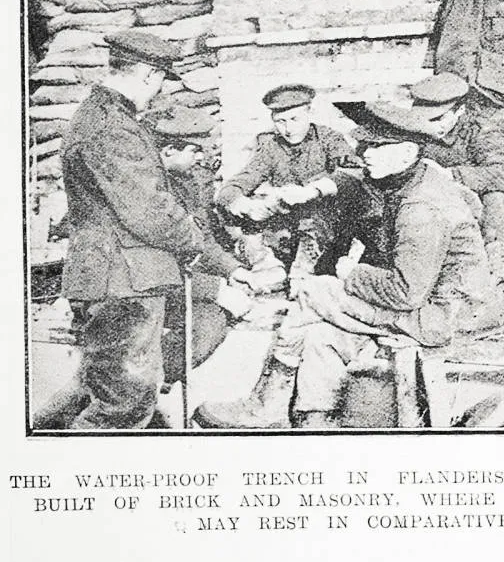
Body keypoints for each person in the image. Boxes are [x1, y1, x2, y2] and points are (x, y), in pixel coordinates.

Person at [195, 102, 504, 429]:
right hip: (438, 303)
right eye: (364, 145)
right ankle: (315, 419)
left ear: (407, 152)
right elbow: (353, 178)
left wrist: (350, 273)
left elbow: (405, 293)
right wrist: (310, 191)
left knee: (313, 291)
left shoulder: (422, 208)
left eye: (375, 147)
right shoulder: (413, 174)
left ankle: (265, 406)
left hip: (446, 315)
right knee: (320, 334)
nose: (365, 154)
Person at [59, 31, 206, 430]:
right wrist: (193, 240)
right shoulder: (112, 127)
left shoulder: (101, 117)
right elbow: (149, 208)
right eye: (159, 81)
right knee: (122, 408)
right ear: (146, 75)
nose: (157, 92)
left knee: (108, 394)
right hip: (124, 282)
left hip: (115, 277)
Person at [148, 106, 277, 384]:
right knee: (207, 324)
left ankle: (154, 381)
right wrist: (216, 289)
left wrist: (234, 271)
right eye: (195, 151)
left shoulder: (186, 182)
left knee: (212, 322)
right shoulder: (149, 190)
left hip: (176, 284)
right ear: (169, 150)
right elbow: (155, 264)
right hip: (144, 289)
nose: (201, 158)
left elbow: (201, 239)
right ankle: (136, 386)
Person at [215, 84, 357, 290]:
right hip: (289, 227)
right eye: (280, 122)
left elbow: (352, 174)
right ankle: (266, 267)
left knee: (316, 214)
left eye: (294, 119)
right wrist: (240, 202)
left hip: (329, 227)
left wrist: (313, 191)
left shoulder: (329, 139)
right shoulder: (272, 147)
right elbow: (238, 183)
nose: (288, 129)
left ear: (310, 113)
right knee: (246, 214)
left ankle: (303, 277)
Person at [408, 72, 504, 281]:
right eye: (424, 119)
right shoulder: (411, 127)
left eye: (438, 119)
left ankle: (497, 270)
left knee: (495, 197)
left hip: (475, 207)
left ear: (460, 110)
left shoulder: (483, 130)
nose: (431, 125)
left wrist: (452, 174)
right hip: (429, 203)